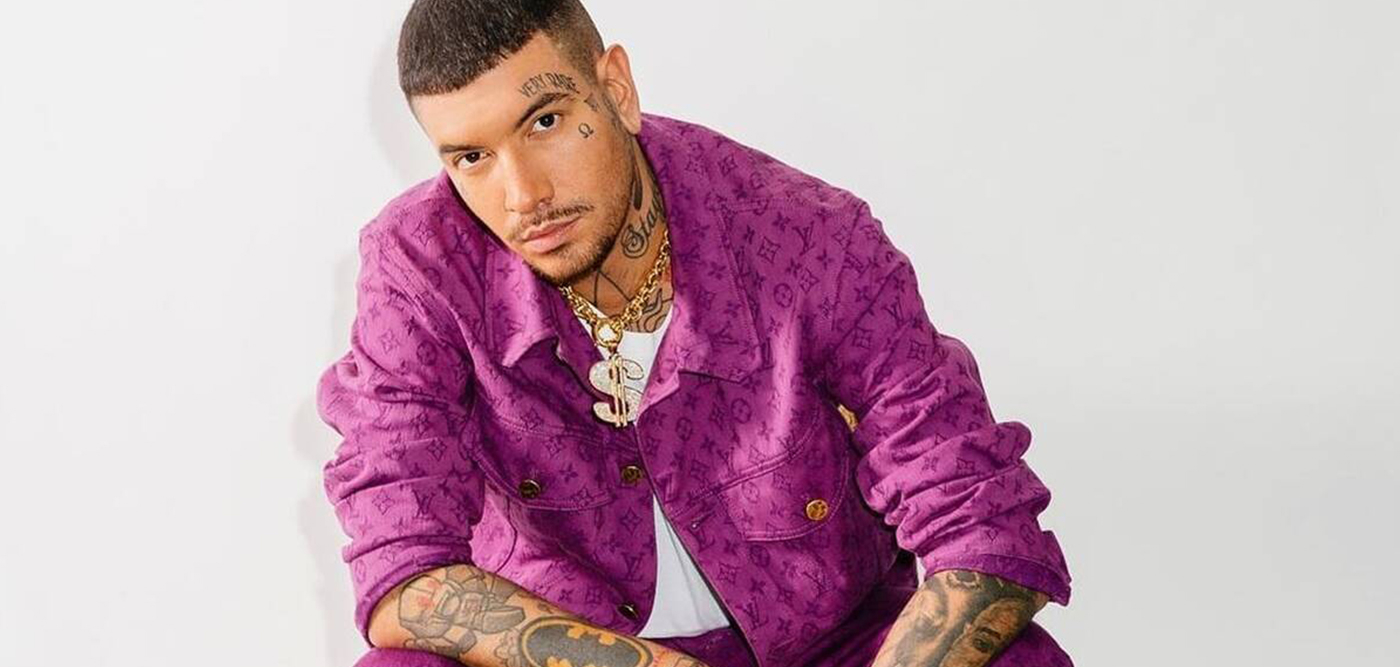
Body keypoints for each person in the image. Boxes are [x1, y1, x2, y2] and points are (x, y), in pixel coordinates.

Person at [315, 2, 1074, 666]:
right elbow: (400, 564)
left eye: (545, 123)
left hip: (829, 644)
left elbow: (980, 526)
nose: (523, 196)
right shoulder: (420, 264)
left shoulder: (808, 239)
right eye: (472, 157)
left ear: (616, 88)